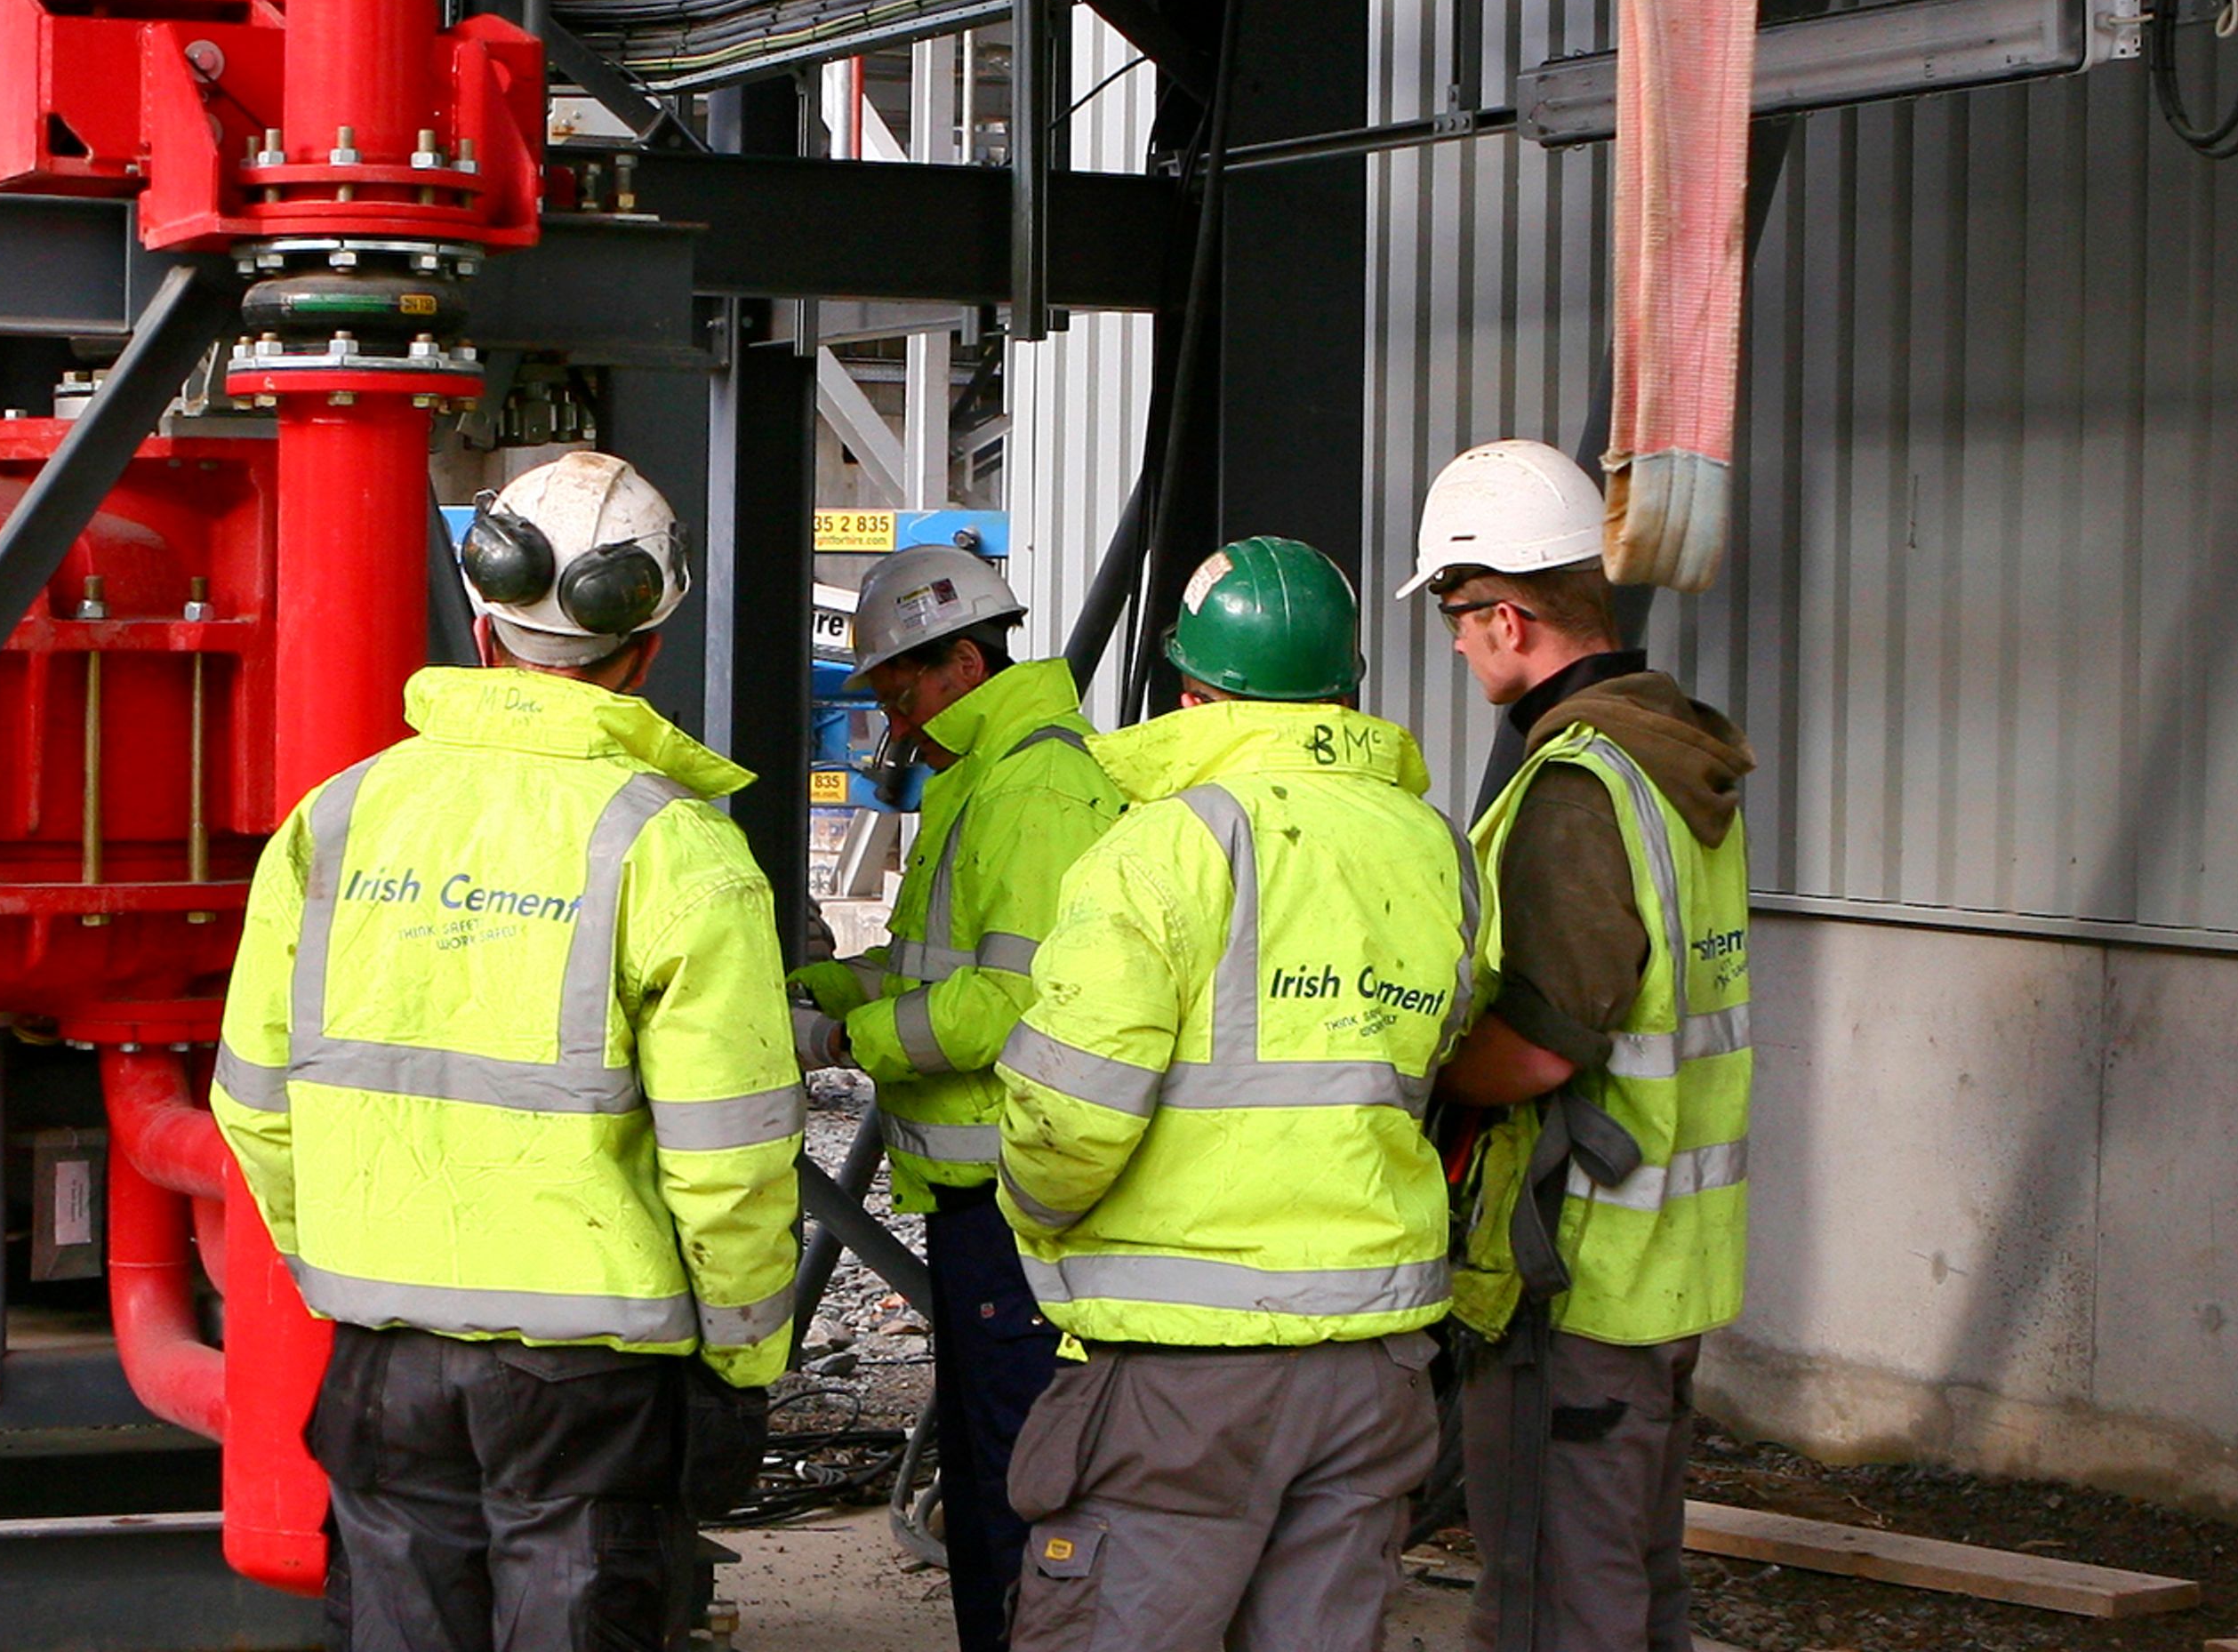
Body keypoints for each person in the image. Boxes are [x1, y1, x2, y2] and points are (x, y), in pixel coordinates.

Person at [213, 449, 806, 1652]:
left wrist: (352, 1255)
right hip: (590, 1369)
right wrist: (744, 1352)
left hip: (383, 1351)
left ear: (482, 631)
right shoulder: (676, 852)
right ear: (646, 651)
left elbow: (256, 1105)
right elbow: (729, 1158)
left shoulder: (338, 816)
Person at [993, 536, 1480, 1652]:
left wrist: (1038, 1218)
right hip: (1372, 1362)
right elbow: (1436, 1052)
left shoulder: (1162, 847)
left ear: (1190, 691)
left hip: (1186, 1373)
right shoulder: (1434, 846)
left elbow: (1069, 1115)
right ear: (1350, 690)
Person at [1401, 439, 1755, 1652]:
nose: (1453, 643)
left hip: (1577, 1272)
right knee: (1637, 1591)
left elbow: (1542, 1050)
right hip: (1669, 1266)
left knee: (1555, 1607)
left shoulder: (1578, 788)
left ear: (1508, 617)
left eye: (1456, 614)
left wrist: (1400, 1074)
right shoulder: (1679, 763)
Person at [790, 543, 1124, 1652]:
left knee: (1022, 1483)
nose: (891, 723)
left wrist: (842, 1035)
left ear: (963, 667)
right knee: (990, 1473)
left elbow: (1008, 1000)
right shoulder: (988, 779)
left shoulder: (1035, 788)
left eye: (895, 690)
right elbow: (934, 967)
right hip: (980, 1199)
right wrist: (823, 985)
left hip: (1014, 1199)